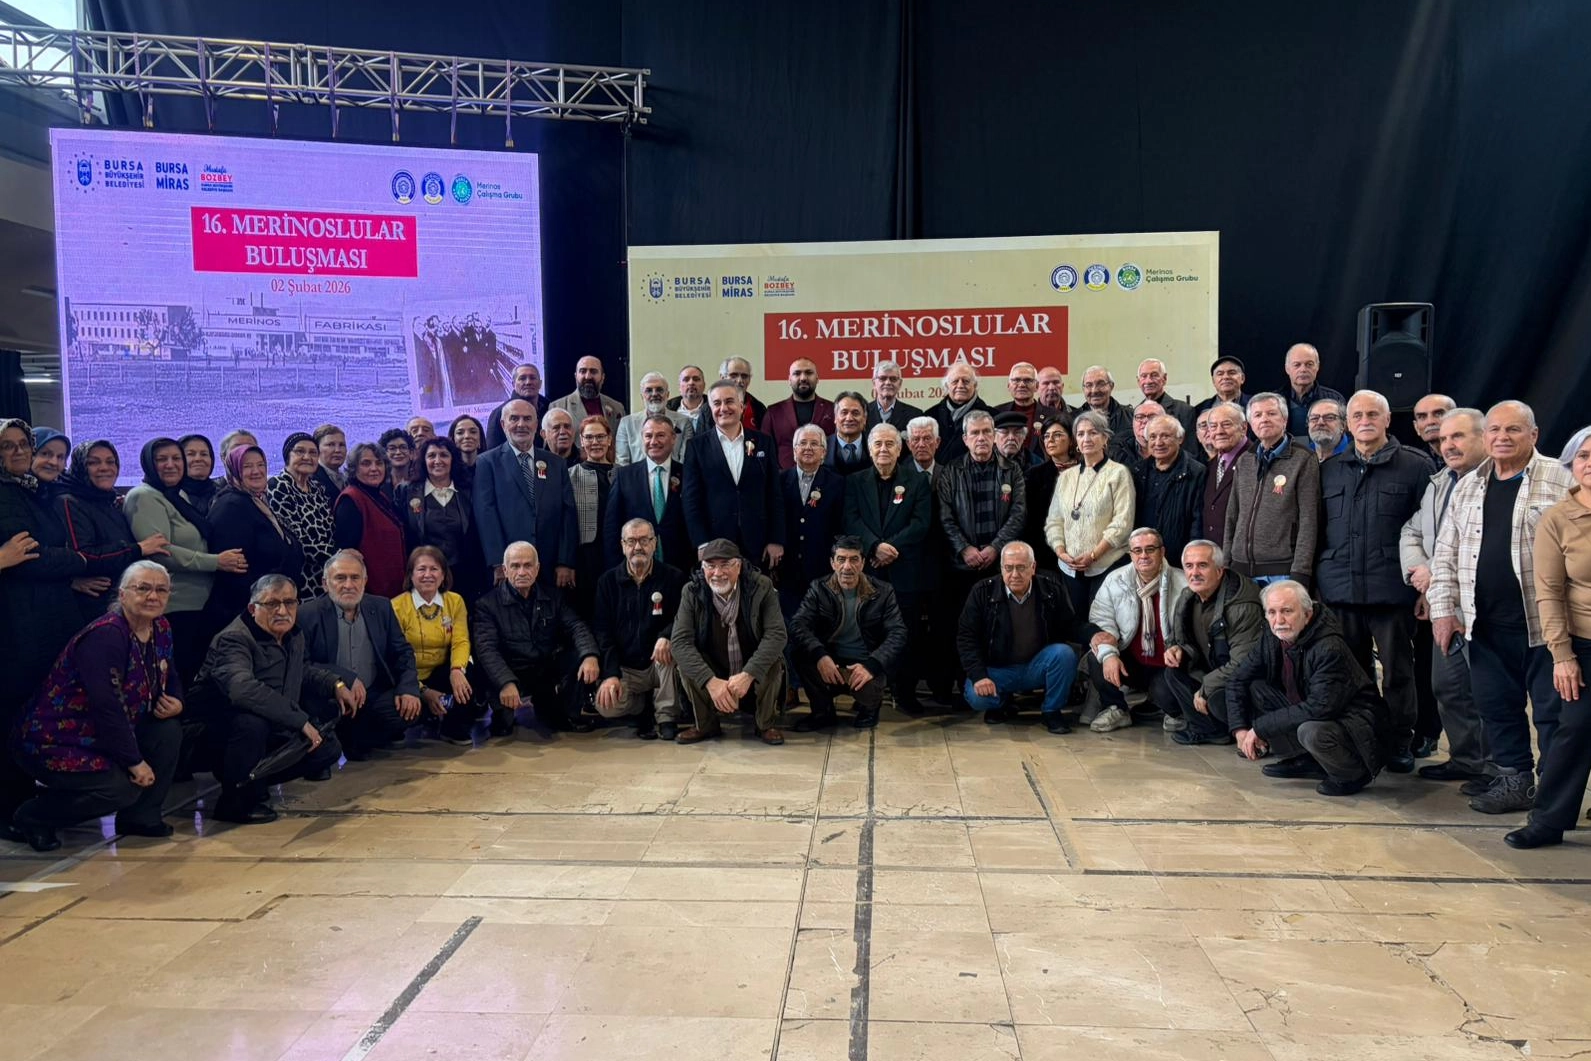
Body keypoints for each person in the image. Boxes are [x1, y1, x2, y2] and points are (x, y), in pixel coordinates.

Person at [1429, 400, 1572, 814]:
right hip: (1485, 626)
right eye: (1494, 430)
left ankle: (1554, 792)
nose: (1502, 437)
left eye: (1513, 429)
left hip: (1545, 626)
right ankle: (1514, 783)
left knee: (1553, 714)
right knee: (1497, 708)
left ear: (1534, 435)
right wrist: (1443, 610)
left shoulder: (1560, 479)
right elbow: (1445, 554)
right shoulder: (1468, 486)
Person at [5, 562, 184, 850]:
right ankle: (35, 816)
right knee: (119, 790)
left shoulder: (160, 626)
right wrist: (134, 762)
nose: (153, 596)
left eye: (161, 590)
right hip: (58, 738)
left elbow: (169, 672)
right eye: (143, 588)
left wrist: (177, 702)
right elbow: (107, 706)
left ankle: (141, 817)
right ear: (122, 594)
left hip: (105, 734)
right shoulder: (106, 635)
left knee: (168, 731)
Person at [1318, 389, 1436, 774]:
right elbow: (1319, 530)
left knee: (1399, 672)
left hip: (1392, 590)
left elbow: (1430, 531)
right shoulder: (1330, 470)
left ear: (1387, 420)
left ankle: (1400, 739)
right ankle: (1364, 736)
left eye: (1373, 414)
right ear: (1347, 424)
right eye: (1357, 416)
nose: (1365, 421)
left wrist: (1425, 587)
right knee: (1353, 674)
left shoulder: (1416, 467)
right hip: (1341, 590)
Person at [188, 573, 347, 824]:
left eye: (289, 602)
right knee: (252, 723)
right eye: (272, 603)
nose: (282, 611)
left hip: (273, 723)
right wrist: (299, 720)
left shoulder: (293, 635)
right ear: (253, 609)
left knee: (327, 747)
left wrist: (334, 683)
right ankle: (234, 802)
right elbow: (242, 689)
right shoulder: (234, 639)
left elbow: (301, 670)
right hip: (216, 733)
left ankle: (254, 783)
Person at [1225, 580, 1393, 796]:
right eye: (1272, 612)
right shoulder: (1271, 636)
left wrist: (1259, 728)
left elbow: (1319, 708)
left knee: (1311, 732)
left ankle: (1351, 774)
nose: (1279, 620)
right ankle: (1308, 760)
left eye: (1287, 611)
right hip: (1314, 711)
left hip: (1355, 727)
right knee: (1256, 688)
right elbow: (1237, 679)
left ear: (1307, 614)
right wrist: (1239, 730)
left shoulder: (1329, 647)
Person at [1401, 407, 1491, 784]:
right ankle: (1467, 760)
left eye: (1458, 436)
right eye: (1443, 439)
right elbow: (1412, 531)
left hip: (1484, 607)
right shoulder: (1438, 482)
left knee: (1489, 692)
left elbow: (1475, 546)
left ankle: (1500, 770)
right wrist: (1420, 572)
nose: (1448, 445)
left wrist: (1432, 571)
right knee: (1449, 687)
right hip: (1444, 604)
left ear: (1484, 437)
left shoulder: (1498, 481)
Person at [1511, 426, 1591, 847]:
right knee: (1574, 729)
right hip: (1582, 643)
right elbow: (1548, 591)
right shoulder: (1557, 519)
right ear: (1572, 465)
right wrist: (1562, 655)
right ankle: (1548, 820)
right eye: (1584, 456)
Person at [124, 438, 247, 685]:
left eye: (176, 458)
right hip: (175, 605)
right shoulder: (144, 497)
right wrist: (216, 562)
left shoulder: (175, 495)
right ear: (148, 463)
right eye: (161, 459)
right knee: (180, 680)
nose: (171, 465)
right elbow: (160, 552)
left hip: (200, 603)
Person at [844, 423, 933, 713]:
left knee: (906, 634)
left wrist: (889, 548)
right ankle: (867, 694)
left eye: (890, 444)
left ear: (900, 448)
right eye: (878, 444)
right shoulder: (855, 481)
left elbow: (921, 523)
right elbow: (851, 520)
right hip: (868, 571)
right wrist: (874, 547)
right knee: (867, 634)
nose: (883, 449)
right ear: (869, 449)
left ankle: (904, 693)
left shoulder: (917, 481)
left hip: (905, 571)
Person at [299, 550, 423, 759]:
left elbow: (403, 652)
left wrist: (408, 689)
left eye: (355, 577)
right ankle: (348, 740)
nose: (349, 585)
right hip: (329, 698)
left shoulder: (381, 607)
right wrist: (343, 680)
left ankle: (354, 739)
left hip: (371, 695)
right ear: (325, 583)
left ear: (364, 581)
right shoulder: (306, 614)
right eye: (340, 578)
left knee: (412, 709)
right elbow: (302, 665)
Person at [471, 541, 600, 734]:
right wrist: (505, 682)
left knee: (577, 658)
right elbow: (486, 650)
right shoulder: (486, 605)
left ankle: (563, 709)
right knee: (502, 728)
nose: (522, 572)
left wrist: (590, 655)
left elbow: (576, 626)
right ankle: (502, 710)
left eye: (528, 565)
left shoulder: (554, 597)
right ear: (505, 570)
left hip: (543, 670)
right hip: (510, 671)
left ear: (537, 569)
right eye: (515, 566)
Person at [956, 541, 1084, 732]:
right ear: (1001, 568)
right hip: (998, 669)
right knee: (977, 697)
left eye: (1021, 567)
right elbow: (966, 638)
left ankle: (1051, 711)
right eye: (1009, 568)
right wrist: (979, 676)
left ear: (1033, 567)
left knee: (1063, 653)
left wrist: (1095, 634)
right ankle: (1000, 704)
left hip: (1036, 666)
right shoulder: (982, 591)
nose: (1014, 574)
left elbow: (1071, 625)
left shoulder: (1050, 588)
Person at [671, 538, 787, 745]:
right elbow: (680, 642)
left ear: (738, 566)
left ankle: (765, 724)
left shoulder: (762, 586)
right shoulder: (691, 591)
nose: (717, 573)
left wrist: (748, 674)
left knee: (773, 661)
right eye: (710, 566)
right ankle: (705, 725)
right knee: (686, 664)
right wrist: (710, 681)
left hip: (749, 673)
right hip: (715, 671)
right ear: (703, 568)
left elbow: (777, 635)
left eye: (725, 565)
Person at [789, 536, 908, 730]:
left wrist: (872, 665)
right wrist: (820, 655)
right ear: (832, 563)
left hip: (865, 662)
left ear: (862, 563)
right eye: (841, 559)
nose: (847, 567)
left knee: (870, 689)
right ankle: (822, 712)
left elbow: (898, 633)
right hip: (832, 661)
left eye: (854, 559)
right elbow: (798, 624)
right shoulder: (818, 588)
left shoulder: (883, 591)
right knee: (801, 654)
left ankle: (870, 709)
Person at [1082, 527, 1190, 733]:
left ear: (1162, 551)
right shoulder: (1115, 580)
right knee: (1097, 656)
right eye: (1137, 550)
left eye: (1150, 549)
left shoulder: (1184, 583)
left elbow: (1191, 631)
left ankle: (1173, 711)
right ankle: (1117, 709)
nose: (1144, 556)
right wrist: (1109, 655)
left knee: (1164, 692)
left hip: (1168, 665)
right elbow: (1102, 620)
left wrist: (1180, 650)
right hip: (1132, 662)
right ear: (1130, 554)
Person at [592, 519, 688, 739]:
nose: (638, 547)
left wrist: (666, 636)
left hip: (658, 663)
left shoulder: (674, 577)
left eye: (644, 541)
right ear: (622, 545)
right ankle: (641, 706)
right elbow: (603, 632)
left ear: (654, 543)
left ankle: (666, 717)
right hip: (626, 667)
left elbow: (683, 618)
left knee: (670, 651)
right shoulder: (607, 582)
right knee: (605, 705)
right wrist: (610, 674)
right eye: (631, 541)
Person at [1164, 540, 1265, 746]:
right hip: (1210, 668)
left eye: (1202, 565)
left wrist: (1207, 686)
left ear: (1219, 571)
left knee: (1218, 699)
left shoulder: (1242, 606)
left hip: (1241, 681)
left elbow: (1244, 664)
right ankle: (1209, 730)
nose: (1194, 573)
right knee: (1166, 682)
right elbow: (1177, 636)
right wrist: (1174, 648)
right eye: (1189, 566)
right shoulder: (1188, 595)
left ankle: (1236, 729)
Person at [472, 399, 578, 593]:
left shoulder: (556, 463)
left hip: (550, 565)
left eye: (527, 419)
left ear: (536, 425)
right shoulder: (487, 462)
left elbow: (568, 514)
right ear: (503, 424)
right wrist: (498, 562)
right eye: (514, 418)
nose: (521, 424)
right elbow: (486, 514)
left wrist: (565, 561)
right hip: (510, 566)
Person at [58, 439, 166, 621]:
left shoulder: (110, 501)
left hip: (122, 602)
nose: (104, 468)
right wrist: (138, 549)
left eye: (110, 462)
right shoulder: (70, 502)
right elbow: (84, 556)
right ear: (80, 467)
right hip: (93, 608)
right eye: (93, 462)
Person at [682, 379, 785, 569]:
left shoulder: (764, 442)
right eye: (717, 403)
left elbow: (774, 494)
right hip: (715, 543)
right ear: (710, 408)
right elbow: (691, 499)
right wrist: (701, 542)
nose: (723, 408)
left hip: (758, 543)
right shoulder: (696, 447)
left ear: (741, 405)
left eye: (729, 401)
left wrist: (775, 539)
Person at [1223, 392, 1321, 587]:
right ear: (1250, 424)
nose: (1264, 419)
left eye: (1271, 413)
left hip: (1281, 571)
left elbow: (1309, 520)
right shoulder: (1245, 460)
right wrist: (1227, 562)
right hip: (1240, 570)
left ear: (1284, 420)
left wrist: (1301, 571)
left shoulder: (1303, 459)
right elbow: (1232, 515)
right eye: (1258, 415)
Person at [1044, 409, 1134, 615]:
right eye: (1081, 434)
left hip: (1106, 566)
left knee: (1103, 622)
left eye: (1093, 433)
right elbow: (1054, 521)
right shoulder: (1066, 476)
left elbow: (1122, 523)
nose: (1086, 439)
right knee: (1076, 624)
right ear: (1075, 440)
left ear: (1105, 438)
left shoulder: (1119, 473)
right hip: (1069, 568)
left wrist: (1093, 555)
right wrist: (1061, 552)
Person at [206, 445, 305, 625]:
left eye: (261, 465)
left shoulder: (257, 501)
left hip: (270, 607)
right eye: (247, 466)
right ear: (234, 471)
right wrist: (264, 602)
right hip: (246, 614)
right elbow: (235, 572)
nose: (256, 471)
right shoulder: (231, 506)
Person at [939, 409, 1027, 609]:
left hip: (999, 564)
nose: (981, 438)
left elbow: (1018, 514)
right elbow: (945, 517)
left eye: (986, 431)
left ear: (994, 436)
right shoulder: (951, 471)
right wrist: (964, 548)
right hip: (962, 565)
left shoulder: (1012, 470)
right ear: (965, 439)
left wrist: (995, 548)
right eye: (975, 433)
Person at [390, 546, 476, 743]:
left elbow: (461, 641)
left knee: (468, 672)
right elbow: (395, 657)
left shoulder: (455, 601)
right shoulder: (396, 607)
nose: (428, 574)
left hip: (441, 672)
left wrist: (457, 670)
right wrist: (423, 691)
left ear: (443, 575)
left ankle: (453, 728)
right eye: (421, 569)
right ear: (411, 575)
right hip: (407, 678)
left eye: (434, 569)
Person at [395, 436, 486, 605]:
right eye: (431, 456)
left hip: (465, 575)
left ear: (453, 460)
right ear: (423, 461)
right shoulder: (406, 492)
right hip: (424, 577)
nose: (437, 461)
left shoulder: (469, 490)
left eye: (444, 455)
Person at [778, 423, 847, 635]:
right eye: (803, 443)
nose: (808, 448)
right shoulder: (779, 481)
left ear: (824, 452)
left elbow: (841, 525)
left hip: (822, 569)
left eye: (814, 444)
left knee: (820, 628)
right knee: (790, 628)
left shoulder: (837, 483)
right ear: (794, 450)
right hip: (787, 569)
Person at [604, 414, 690, 570]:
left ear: (673, 439)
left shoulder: (687, 474)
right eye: (648, 436)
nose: (653, 442)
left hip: (679, 565)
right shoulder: (624, 476)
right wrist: (616, 567)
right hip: (635, 566)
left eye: (661, 435)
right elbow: (612, 526)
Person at [332, 443, 409, 599]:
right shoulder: (350, 500)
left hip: (393, 589)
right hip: (370, 594)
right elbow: (348, 553)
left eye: (379, 463)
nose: (374, 468)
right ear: (354, 469)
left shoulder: (380, 496)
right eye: (366, 463)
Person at [267, 433, 339, 599]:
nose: (307, 457)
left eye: (313, 453)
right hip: (299, 578)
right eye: (300, 451)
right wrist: (339, 555)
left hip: (326, 574)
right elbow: (296, 541)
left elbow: (330, 530)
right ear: (288, 456)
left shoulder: (317, 488)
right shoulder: (278, 487)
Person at [1131, 414, 1206, 567]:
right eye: (1153, 437)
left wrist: (1192, 558)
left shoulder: (1196, 472)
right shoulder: (1137, 471)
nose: (1158, 442)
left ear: (1180, 438)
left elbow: (1197, 521)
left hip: (1178, 559)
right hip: (1143, 559)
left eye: (1165, 436)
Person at [568, 415, 615, 619]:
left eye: (600, 437)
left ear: (609, 439)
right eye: (589, 437)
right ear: (581, 440)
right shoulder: (569, 475)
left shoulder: (624, 473)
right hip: (585, 557)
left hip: (617, 553)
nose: (595, 442)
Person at [1023, 417, 1078, 573]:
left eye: (1057, 435)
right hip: (1046, 552)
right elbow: (1031, 521)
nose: (1050, 440)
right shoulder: (1034, 475)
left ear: (1072, 439)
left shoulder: (1087, 470)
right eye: (1046, 436)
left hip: (1081, 549)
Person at [762, 358, 836, 469]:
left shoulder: (832, 409)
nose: (803, 378)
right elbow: (765, 449)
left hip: (825, 476)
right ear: (789, 379)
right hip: (783, 477)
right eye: (797, 373)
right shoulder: (773, 412)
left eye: (809, 373)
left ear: (817, 378)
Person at [614, 371, 694, 466]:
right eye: (649, 390)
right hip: (636, 475)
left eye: (659, 390)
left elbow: (686, 460)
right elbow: (622, 462)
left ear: (667, 395)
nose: (654, 394)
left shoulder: (684, 422)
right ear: (642, 396)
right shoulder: (626, 424)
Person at [1200, 401, 1250, 541]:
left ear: (1243, 427)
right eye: (1213, 426)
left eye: (1226, 424)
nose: (1219, 431)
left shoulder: (1255, 459)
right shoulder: (1210, 464)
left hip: (1241, 549)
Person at [925, 363, 991, 466]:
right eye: (955, 381)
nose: (960, 386)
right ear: (947, 386)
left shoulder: (991, 416)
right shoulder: (929, 416)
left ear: (975, 385)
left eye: (966, 381)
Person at [551, 355, 627, 435]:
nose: (588, 377)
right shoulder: (558, 407)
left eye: (593, 372)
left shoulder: (617, 408)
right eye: (583, 371)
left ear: (603, 377)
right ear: (576, 376)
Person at [1281, 343, 1345, 438]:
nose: (1303, 369)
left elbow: (1344, 433)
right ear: (1287, 368)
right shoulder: (1275, 401)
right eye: (1297, 365)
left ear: (1317, 367)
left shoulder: (1335, 399)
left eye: (1309, 364)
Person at [484, 362, 549, 451]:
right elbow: (492, 452)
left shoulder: (550, 409)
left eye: (532, 378)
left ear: (540, 383)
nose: (528, 382)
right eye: (522, 378)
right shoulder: (499, 413)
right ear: (513, 384)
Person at [1135, 358, 1196, 446]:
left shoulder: (1184, 411)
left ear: (1164, 378)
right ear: (1138, 381)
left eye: (1154, 375)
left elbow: (1191, 449)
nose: (1148, 381)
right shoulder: (1135, 413)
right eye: (1144, 376)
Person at [1079, 366, 1134, 451]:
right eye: (1089, 385)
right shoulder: (1073, 420)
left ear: (1111, 386)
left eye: (1101, 384)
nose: (1094, 390)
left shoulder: (1131, 417)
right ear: (1083, 389)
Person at [865, 359, 924, 431]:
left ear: (900, 384)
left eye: (893, 379)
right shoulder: (863, 412)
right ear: (874, 383)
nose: (888, 382)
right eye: (882, 378)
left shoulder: (914, 415)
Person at [825, 392, 873, 476]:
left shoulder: (875, 446)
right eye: (844, 412)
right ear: (835, 417)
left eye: (855, 413)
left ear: (864, 418)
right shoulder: (822, 446)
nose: (849, 418)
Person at [178, 434, 221, 517]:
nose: (198, 459)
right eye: (191, 454)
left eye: (204, 454)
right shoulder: (171, 496)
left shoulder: (222, 493)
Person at [719, 356, 767, 429]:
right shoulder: (710, 408)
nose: (739, 380)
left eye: (744, 376)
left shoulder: (759, 408)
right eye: (734, 375)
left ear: (749, 380)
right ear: (723, 378)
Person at [666, 363, 711, 433]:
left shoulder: (714, 408)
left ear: (704, 385)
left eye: (696, 379)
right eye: (686, 380)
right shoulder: (667, 410)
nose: (691, 383)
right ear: (679, 386)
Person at [1411, 393, 1456, 461]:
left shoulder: (1473, 457)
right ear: (1416, 427)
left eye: (1439, 414)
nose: (1430, 422)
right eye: (1422, 417)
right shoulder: (1414, 462)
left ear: (1457, 418)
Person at [29, 426, 69, 500]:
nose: (54, 462)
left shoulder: (66, 491)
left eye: (60, 457)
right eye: (45, 454)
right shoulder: (13, 492)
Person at [311, 423, 348, 498]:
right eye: (331, 445)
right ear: (317, 449)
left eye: (341, 445)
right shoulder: (310, 480)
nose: (337, 450)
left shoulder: (348, 480)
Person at [449, 413, 486, 480]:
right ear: (453, 439)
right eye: (460, 433)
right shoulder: (447, 471)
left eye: (473, 432)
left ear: (480, 438)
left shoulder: (491, 467)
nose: (467, 436)